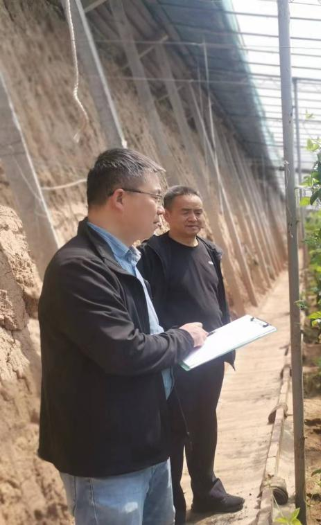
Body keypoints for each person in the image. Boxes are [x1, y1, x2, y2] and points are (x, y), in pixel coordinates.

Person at [38, 148, 209, 525]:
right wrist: (184, 338)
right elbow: (125, 350)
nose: (161, 210)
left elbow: (143, 337)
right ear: (119, 198)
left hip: (147, 442)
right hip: (108, 458)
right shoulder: (78, 269)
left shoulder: (125, 260)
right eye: (155, 197)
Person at [138, 185, 244, 524]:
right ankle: (173, 507)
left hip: (210, 355)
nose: (193, 218)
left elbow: (216, 298)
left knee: (204, 422)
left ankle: (207, 491)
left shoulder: (209, 251)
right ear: (166, 215)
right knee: (175, 431)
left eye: (198, 211)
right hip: (176, 359)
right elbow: (147, 309)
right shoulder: (154, 254)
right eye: (185, 212)